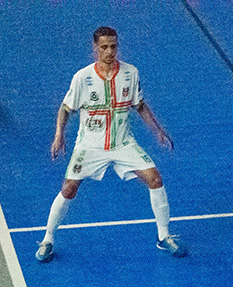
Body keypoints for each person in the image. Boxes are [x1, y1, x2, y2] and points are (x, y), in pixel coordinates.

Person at [35, 26, 185, 263]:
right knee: (69, 188)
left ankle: (163, 236)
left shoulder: (130, 73)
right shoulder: (82, 78)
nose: (109, 51)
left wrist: (157, 130)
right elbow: (65, 109)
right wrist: (59, 135)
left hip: (123, 143)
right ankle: (47, 240)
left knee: (155, 178)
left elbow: (140, 105)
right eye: (104, 47)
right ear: (94, 47)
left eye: (113, 46)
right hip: (90, 146)